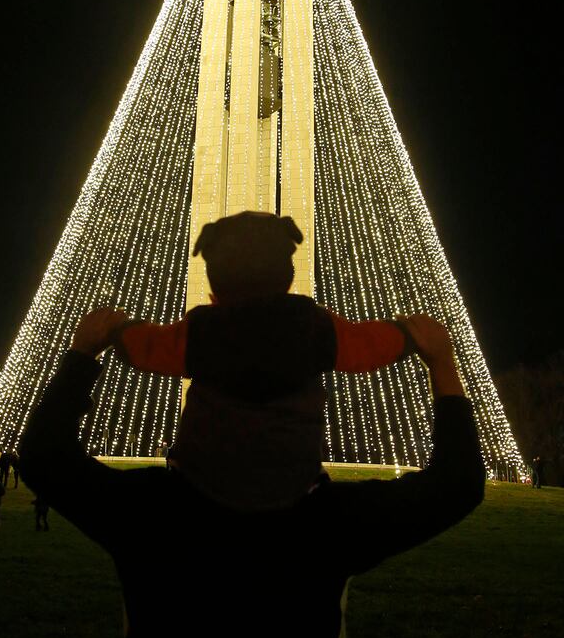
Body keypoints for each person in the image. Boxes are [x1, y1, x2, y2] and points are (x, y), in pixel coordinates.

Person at [21, 249, 484, 638]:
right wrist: (442, 365)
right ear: (309, 404)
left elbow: (43, 456)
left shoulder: (152, 513)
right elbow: (459, 484)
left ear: (200, 395)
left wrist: (82, 352)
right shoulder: (329, 525)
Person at [104, 212, 418, 510]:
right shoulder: (312, 323)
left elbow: (150, 348)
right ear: (286, 271)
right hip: (293, 482)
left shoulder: (204, 328)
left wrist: (118, 331)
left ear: (215, 274)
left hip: (206, 483)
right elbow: (364, 346)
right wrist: (406, 334)